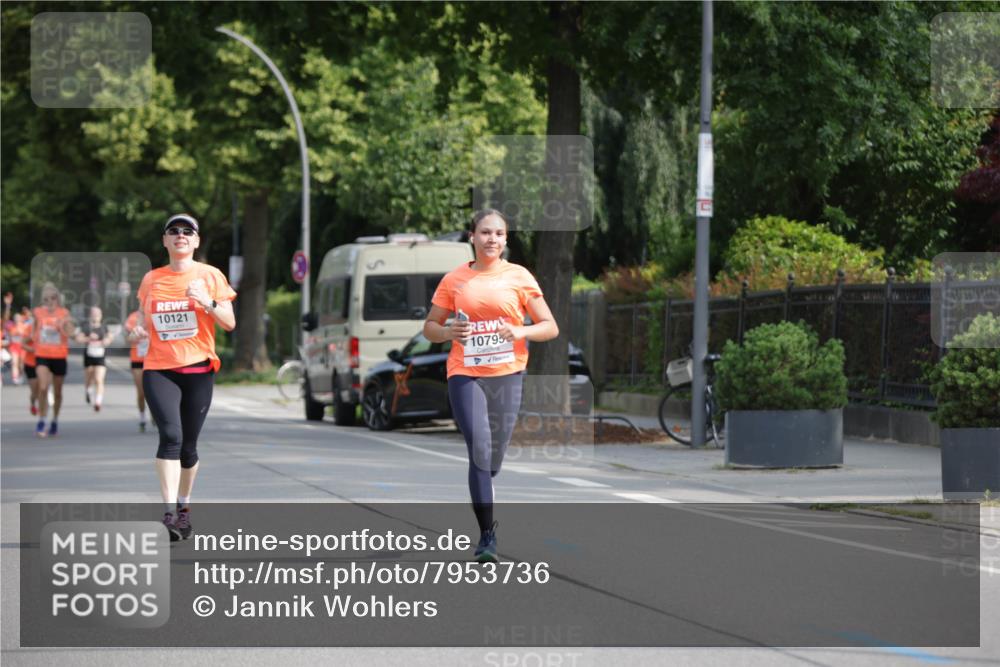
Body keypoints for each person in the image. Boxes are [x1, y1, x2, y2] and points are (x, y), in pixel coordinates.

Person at [423, 209, 558, 562]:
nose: (491, 239)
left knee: (493, 457)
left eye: (498, 233)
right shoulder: (454, 280)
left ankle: (484, 481)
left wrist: (521, 331)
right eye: (485, 232)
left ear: (506, 239)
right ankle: (487, 537)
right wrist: (447, 330)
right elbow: (430, 327)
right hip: (464, 372)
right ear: (472, 237)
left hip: (507, 373)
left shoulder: (519, 276)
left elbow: (550, 326)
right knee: (480, 449)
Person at [131, 214, 236, 541]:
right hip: (159, 369)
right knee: (171, 438)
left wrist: (207, 301)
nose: (180, 235)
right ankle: (169, 515)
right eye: (173, 231)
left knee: (188, 449)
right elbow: (147, 322)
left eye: (187, 232)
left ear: (196, 241)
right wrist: (138, 330)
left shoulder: (210, 275)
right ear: (165, 241)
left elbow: (229, 322)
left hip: (199, 370)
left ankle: (184, 507)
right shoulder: (152, 280)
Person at [31, 283, 76, 437]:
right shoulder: (37, 312)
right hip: (42, 354)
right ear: (42, 300)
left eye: (53, 298)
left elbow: (70, 333)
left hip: (59, 356)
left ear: (58, 299)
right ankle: (42, 420)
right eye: (46, 299)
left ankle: (55, 420)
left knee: (58, 392)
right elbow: (33, 333)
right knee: (43, 387)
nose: (50, 301)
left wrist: (64, 324)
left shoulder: (64, 313)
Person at [75, 306, 115, 411]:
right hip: (89, 355)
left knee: (99, 379)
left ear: (101, 316)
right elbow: (78, 339)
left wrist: (107, 340)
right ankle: (88, 390)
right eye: (94, 314)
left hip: (100, 356)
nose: (96, 316)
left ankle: (98, 402)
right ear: (90, 316)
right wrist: (88, 338)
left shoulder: (103, 327)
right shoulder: (86, 327)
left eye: (98, 314)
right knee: (89, 378)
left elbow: (110, 336)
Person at [125, 308, 150, 432]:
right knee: (141, 392)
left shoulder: (155, 311)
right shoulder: (133, 317)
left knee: (154, 392)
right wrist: (139, 327)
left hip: (154, 360)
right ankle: (142, 418)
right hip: (137, 359)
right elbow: (128, 339)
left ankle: (156, 415)